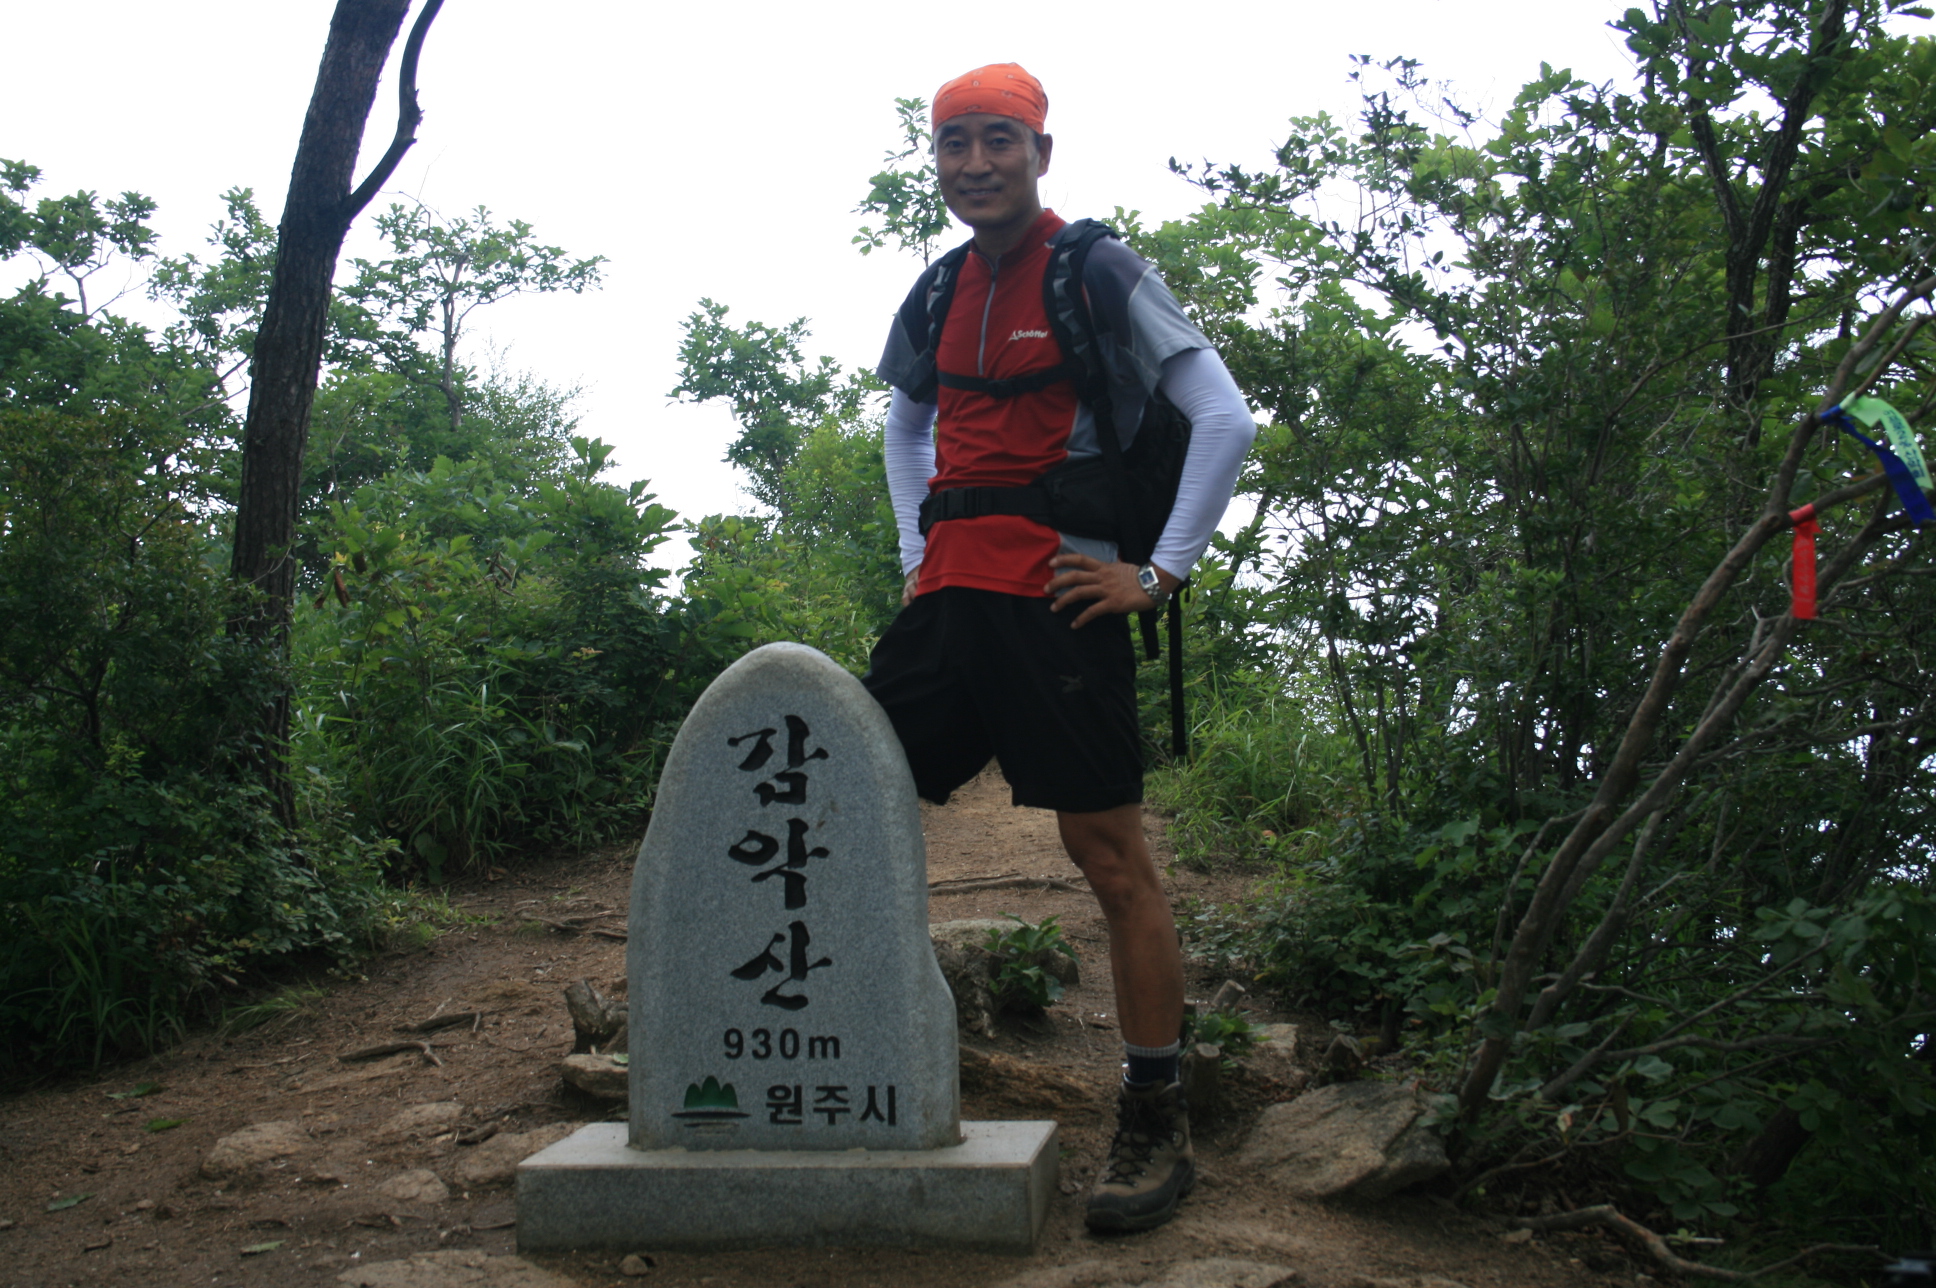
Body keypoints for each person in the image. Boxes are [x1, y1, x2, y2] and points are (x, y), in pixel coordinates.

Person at [862, 63, 1255, 1233]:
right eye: (954, 143)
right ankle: (840, 1051)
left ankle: (1155, 1113)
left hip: (1063, 599)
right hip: (948, 601)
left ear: (1040, 151)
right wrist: (912, 551)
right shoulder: (939, 286)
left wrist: (1159, 572)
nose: (975, 163)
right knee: (845, 791)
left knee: (1109, 856)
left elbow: (1223, 415)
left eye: (999, 140)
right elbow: (906, 423)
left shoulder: (1097, 270)